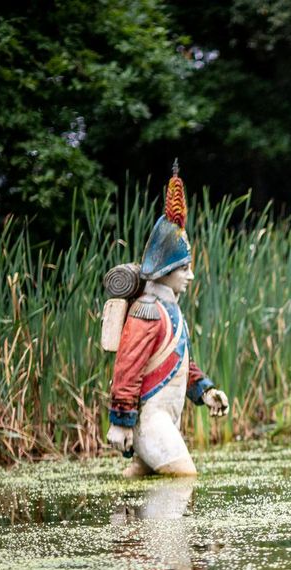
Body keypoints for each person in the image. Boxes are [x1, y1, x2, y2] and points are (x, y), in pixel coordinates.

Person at [106, 162, 229, 477]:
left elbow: (179, 362)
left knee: (141, 494)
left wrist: (204, 389)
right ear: (165, 271)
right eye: (184, 268)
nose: (190, 275)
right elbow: (127, 367)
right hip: (149, 421)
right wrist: (121, 421)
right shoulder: (146, 311)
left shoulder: (170, 310)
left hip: (166, 418)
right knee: (184, 476)